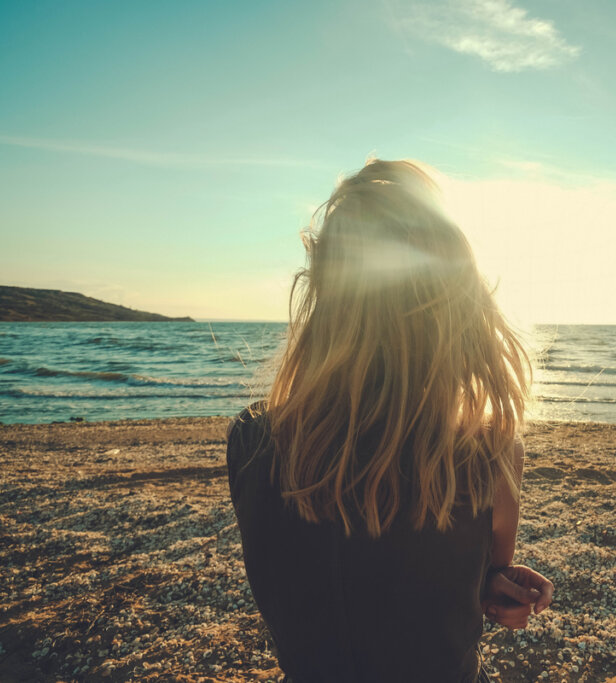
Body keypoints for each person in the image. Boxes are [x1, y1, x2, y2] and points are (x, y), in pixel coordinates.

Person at [226, 159, 553, 682]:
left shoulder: (253, 441)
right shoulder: (487, 453)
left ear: (322, 293)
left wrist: (477, 583)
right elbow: (450, 585)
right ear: (456, 302)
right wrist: (496, 589)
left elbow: (317, 582)